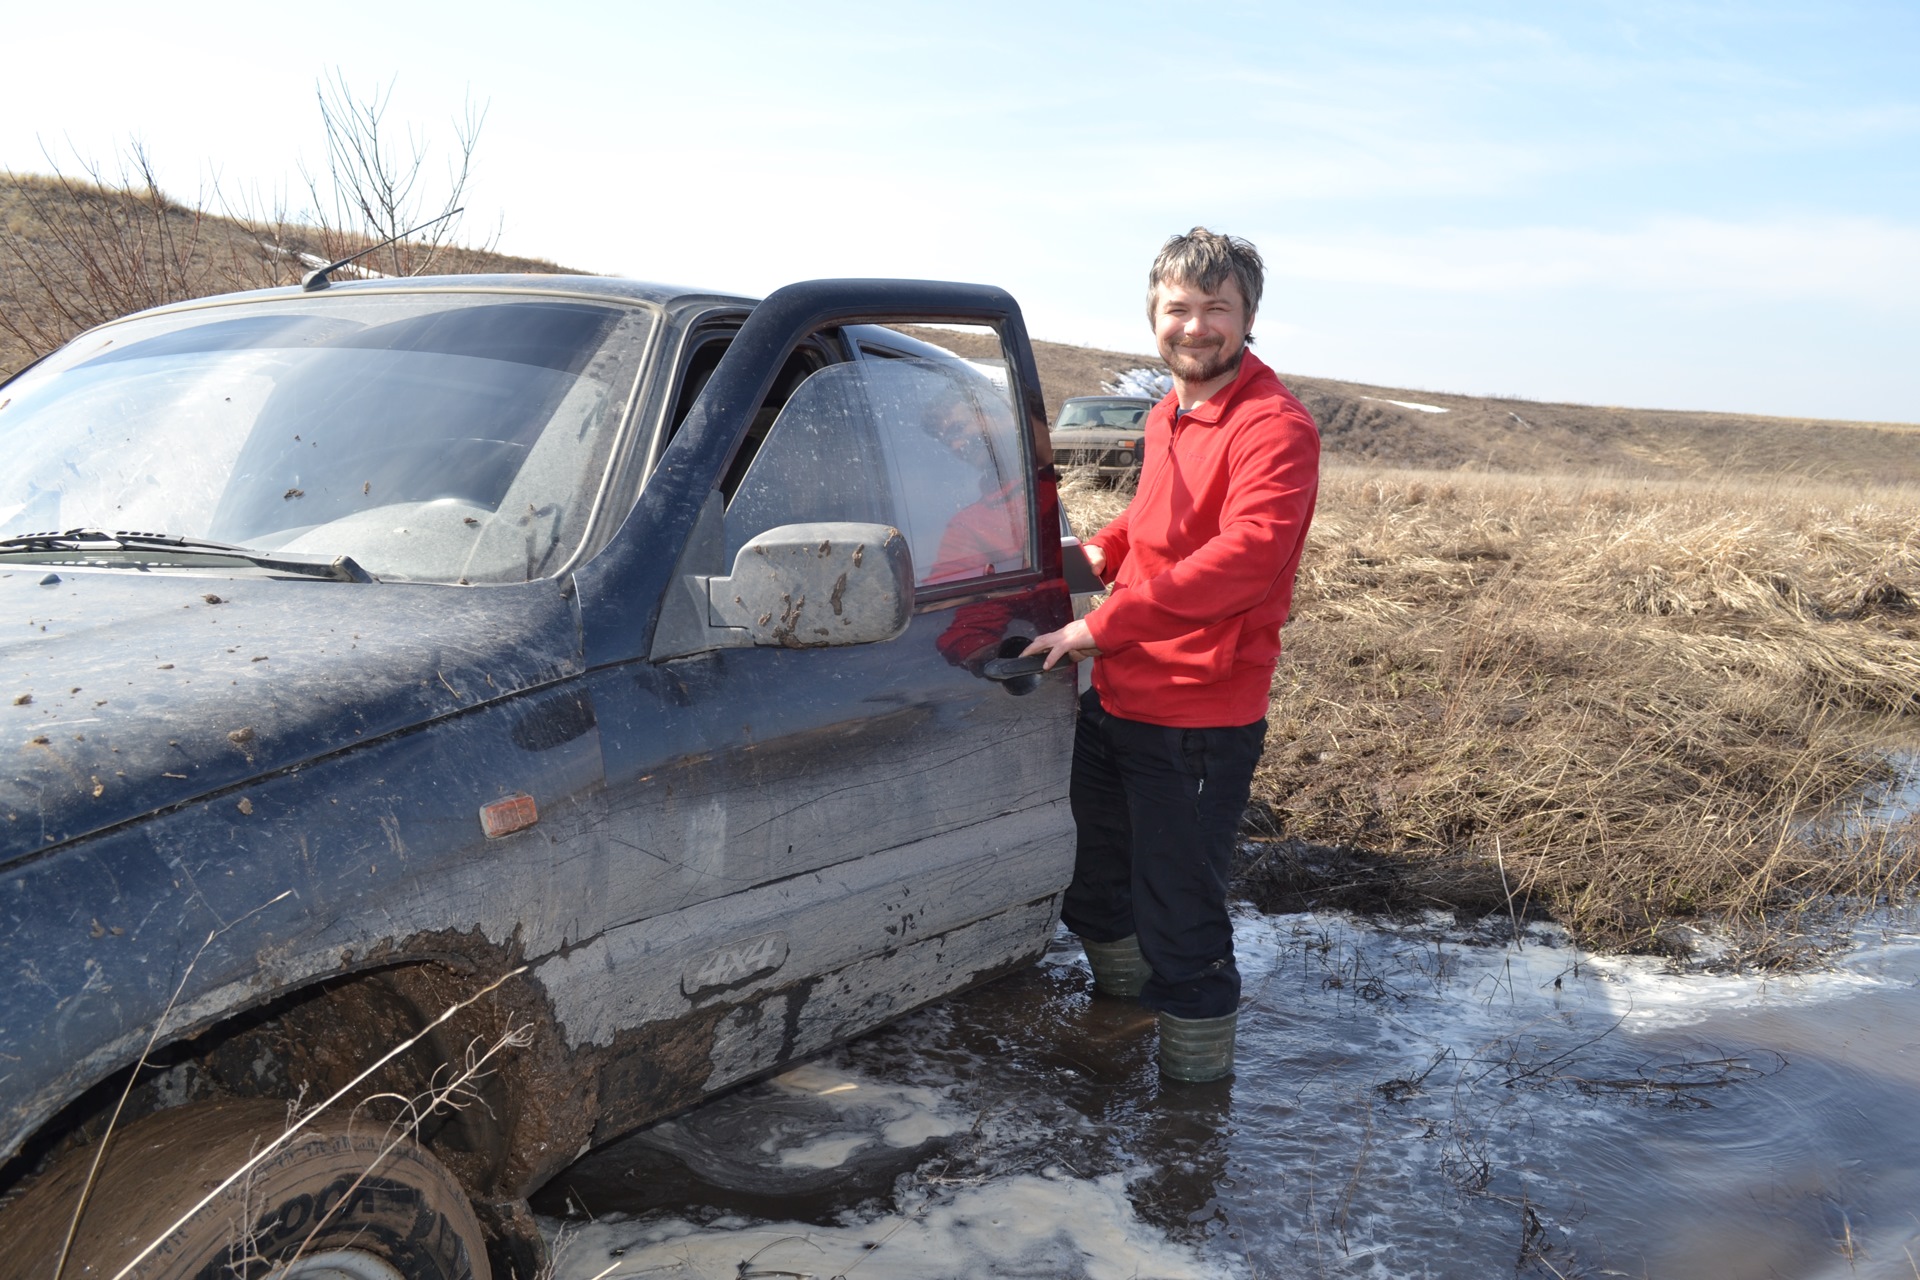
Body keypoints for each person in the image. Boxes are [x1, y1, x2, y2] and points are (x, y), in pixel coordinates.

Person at [1023, 228, 1320, 1082]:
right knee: (1093, 889)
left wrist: (1097, 627)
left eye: (1215, 309)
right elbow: (1148, 532)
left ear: (1248, 318)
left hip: (1199, 714)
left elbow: (1242, 562)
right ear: (1154, 316)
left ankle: (1190, 1127)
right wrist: (1076, 561)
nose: (1195, 326)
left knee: (1182, 923)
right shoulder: (1168, 411)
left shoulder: (1275, 427)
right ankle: (1116, 1032)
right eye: (1178, 308)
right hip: (1118, 697)